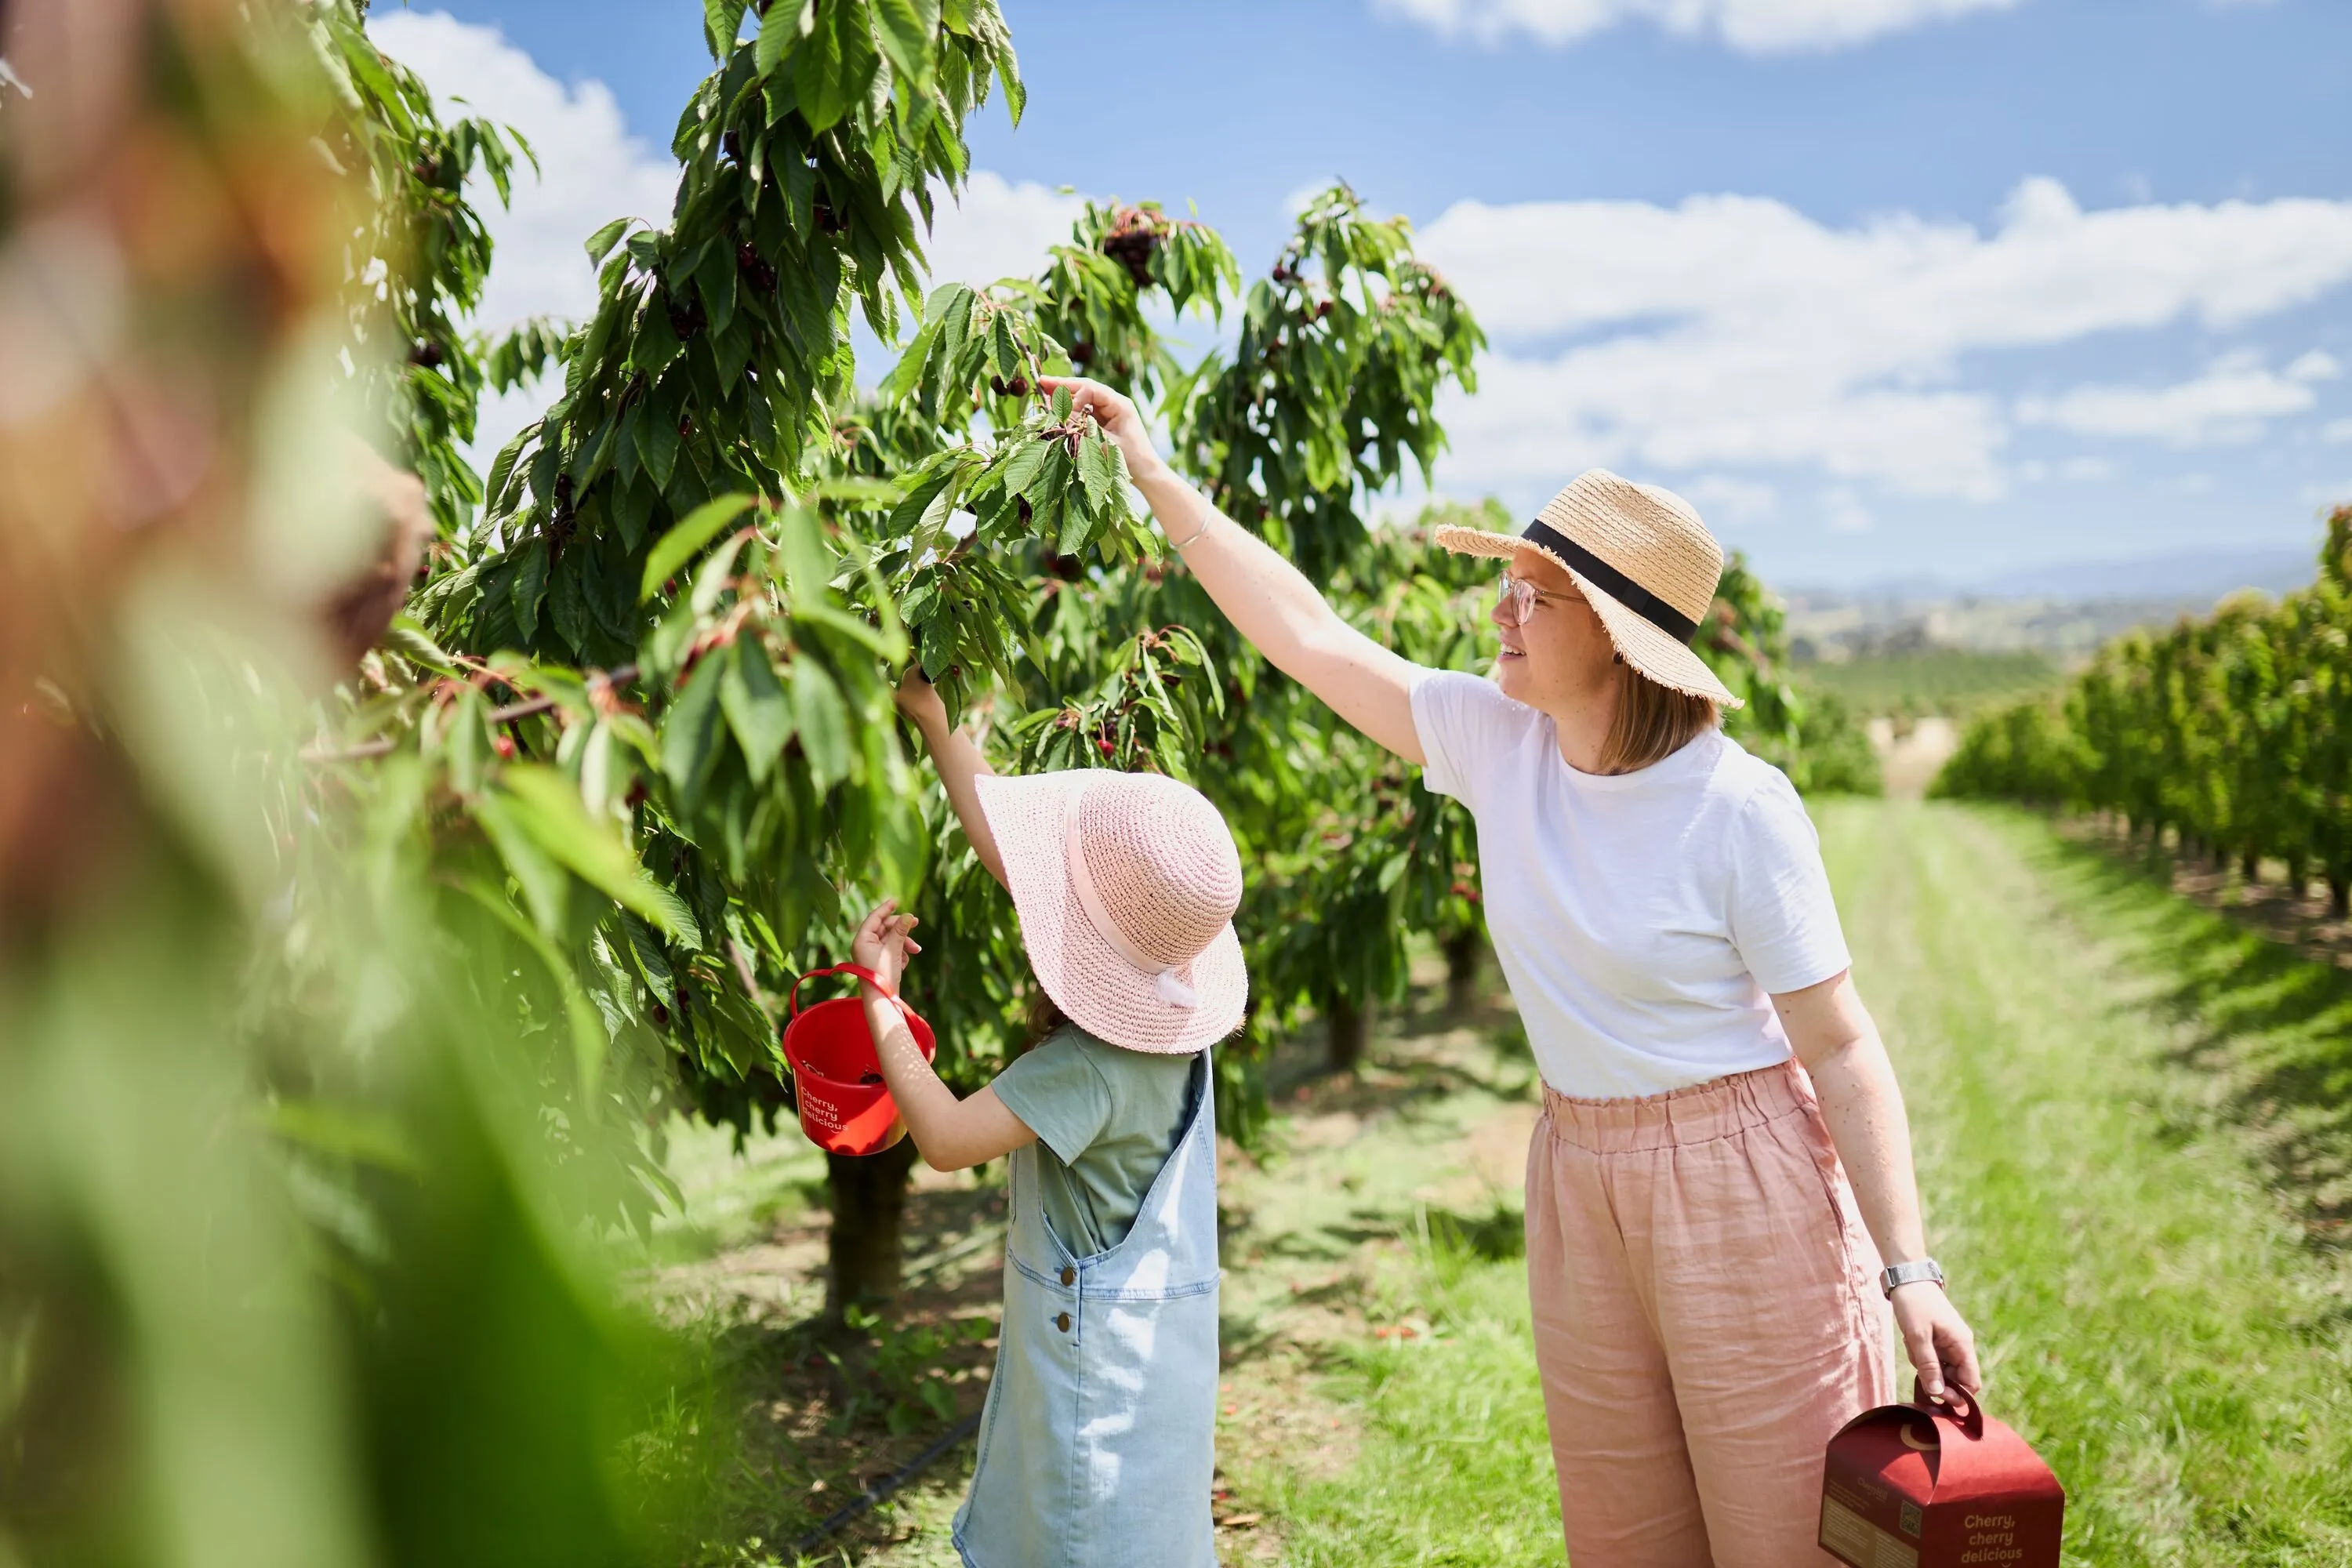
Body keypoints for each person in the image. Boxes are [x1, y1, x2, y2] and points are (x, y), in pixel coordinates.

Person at [1033, 374, 1984, 1566]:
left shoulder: (1739, 810)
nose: (1504, 608)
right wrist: (1156, 476)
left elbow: (1840, 1045)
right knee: (1626, 1534)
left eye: (1540, 595)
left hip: (1742, 1184)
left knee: (1783, 1532)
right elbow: (1310, 634)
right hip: (1578, 1167)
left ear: (1620, 642)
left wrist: (1911, 1271)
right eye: (1513, 582)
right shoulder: (1501, 743)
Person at [848, 670, 1248, 1568]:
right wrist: (937, 722)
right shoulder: (1172, 1006)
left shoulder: (1085, 1068)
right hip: (1154, 1377)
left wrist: (879, 998)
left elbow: (946, 1138)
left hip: (1091, 1393)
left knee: (1077, 1540)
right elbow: (1016, 862)